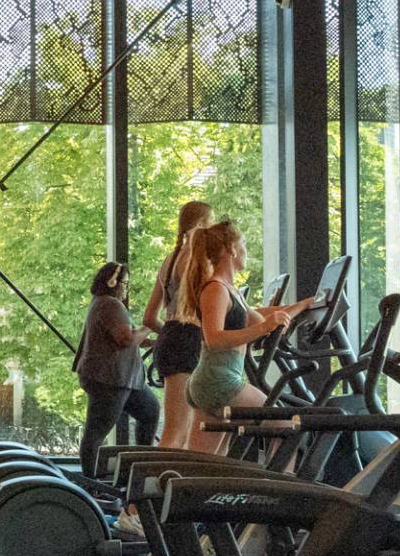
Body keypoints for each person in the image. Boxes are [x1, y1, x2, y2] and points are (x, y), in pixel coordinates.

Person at [181, 221, 302, 454]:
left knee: (203, 466)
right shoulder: (215, 289)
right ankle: (279, 489)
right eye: (243, 243)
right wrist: (266, 326)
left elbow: (261, 319)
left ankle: (187, 490)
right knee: (286, 426)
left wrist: (305, 305)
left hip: (213, 381)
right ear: (231, 249)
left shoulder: (231, 289)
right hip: (220, 381)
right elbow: (214, 338)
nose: (246, 249)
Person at [73, 261, 160, 476]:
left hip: (123, 380)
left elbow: (125, 337)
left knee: (150, 411)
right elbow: (125, 339)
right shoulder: (110, 305)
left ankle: (141, 469)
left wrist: (156, 341)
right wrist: (150, 326)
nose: (126, 289)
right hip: (111, 380)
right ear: (113, 283)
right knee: (96, 432)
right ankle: (91, 485)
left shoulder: (102, 303)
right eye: (125, 284)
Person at [143, 200, 213, 449]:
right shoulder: (198, 259)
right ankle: (155, 486)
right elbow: (210, 306)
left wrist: (169, 336)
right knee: (177, 431)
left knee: (178, 429)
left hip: (172, 338)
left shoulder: (169, 260)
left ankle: (169, 482)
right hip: (188, 338)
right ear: (203, 224)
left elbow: (149, 318)